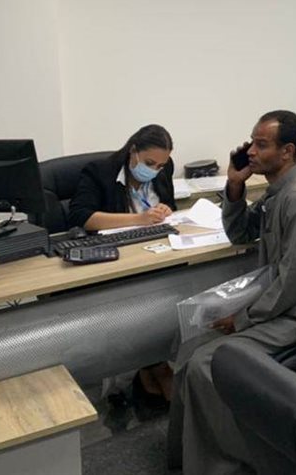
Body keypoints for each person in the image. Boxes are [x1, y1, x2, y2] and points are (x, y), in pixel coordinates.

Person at [170, 110, 296, 475]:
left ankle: (236, 465)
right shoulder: (278, 192)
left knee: (208, 364)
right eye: (251, 142)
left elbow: (292, 282)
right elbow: (241, 234)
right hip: (285, 303)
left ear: (287, 151)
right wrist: (235, 186)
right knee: (189, 350)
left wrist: (240, 320)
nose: (250, 151)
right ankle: (183, 460)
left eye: (261, 144)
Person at [68, 124, 177, 407]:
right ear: (133, 151)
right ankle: (152, 365)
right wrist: (138, 219)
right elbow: (82, 217)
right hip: (115, 258)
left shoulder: (164, 169)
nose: (155, 170)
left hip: (155, 253)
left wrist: (165, 210)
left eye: (161, 165)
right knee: (139, 301)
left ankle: (153, 363)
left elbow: (169, 205)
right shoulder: (99, 172)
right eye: (149, 163)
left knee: (171, 293)